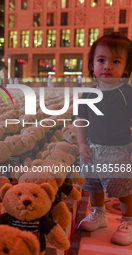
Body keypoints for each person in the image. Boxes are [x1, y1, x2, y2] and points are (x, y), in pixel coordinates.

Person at [76, 32, 132, 246]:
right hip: (92, 148)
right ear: (92, 65)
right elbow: (81, 120)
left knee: (123, 187)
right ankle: (98, 213)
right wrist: (82, 143)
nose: (107, 66)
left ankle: (128, 220)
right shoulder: (89, 94)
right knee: (93, 184)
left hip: (119, 150)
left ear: (126, 68)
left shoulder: (127, 93)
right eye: (101, 60)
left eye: (115, 61)